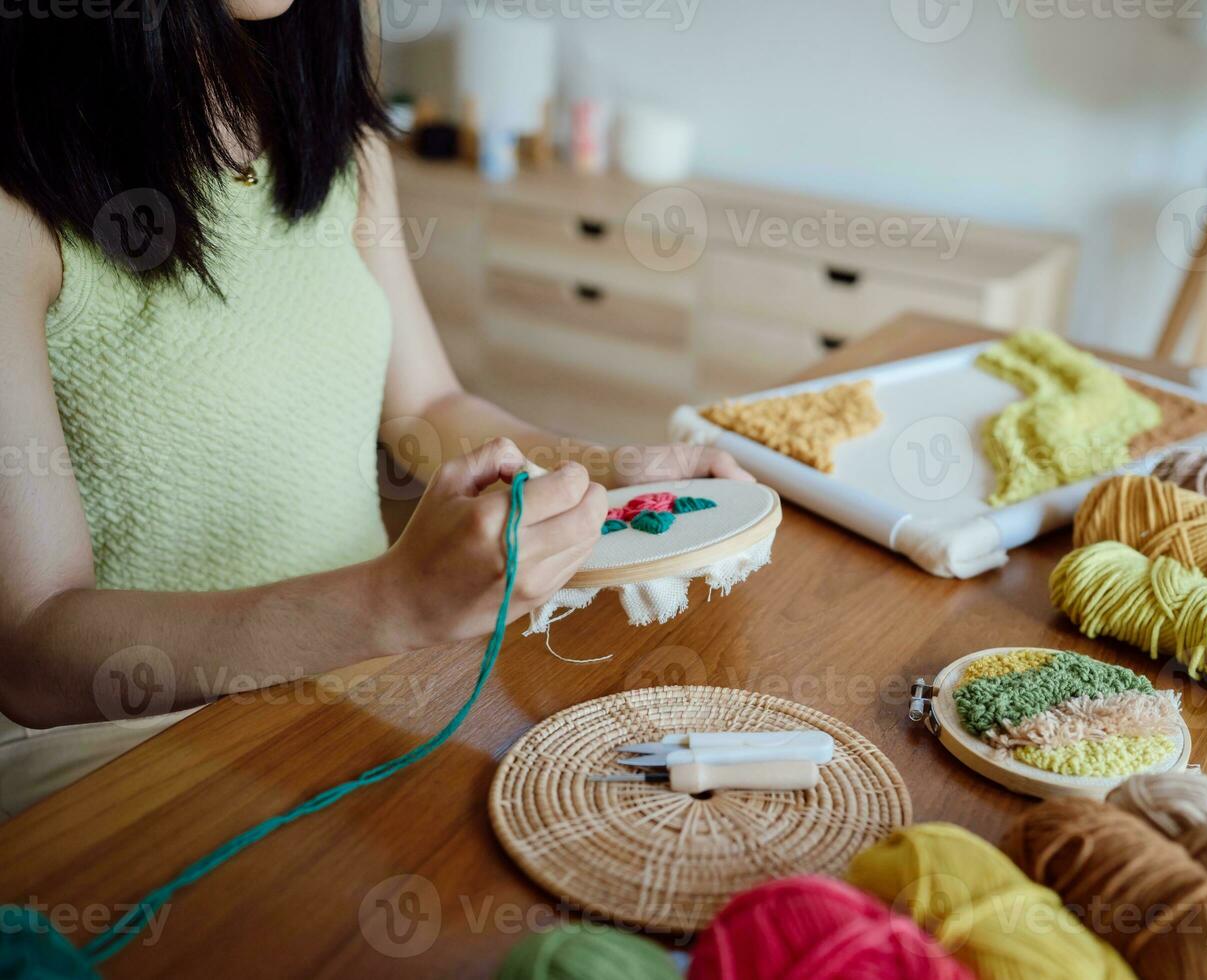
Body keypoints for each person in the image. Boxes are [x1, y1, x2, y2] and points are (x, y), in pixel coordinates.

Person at [0, 0, 747, 820]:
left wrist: (611, 465)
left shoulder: (337, 144)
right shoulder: (18, 206)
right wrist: (389, 601)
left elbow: (427, 403)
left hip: (355, 692)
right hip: (120, 770)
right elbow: (33, 650)